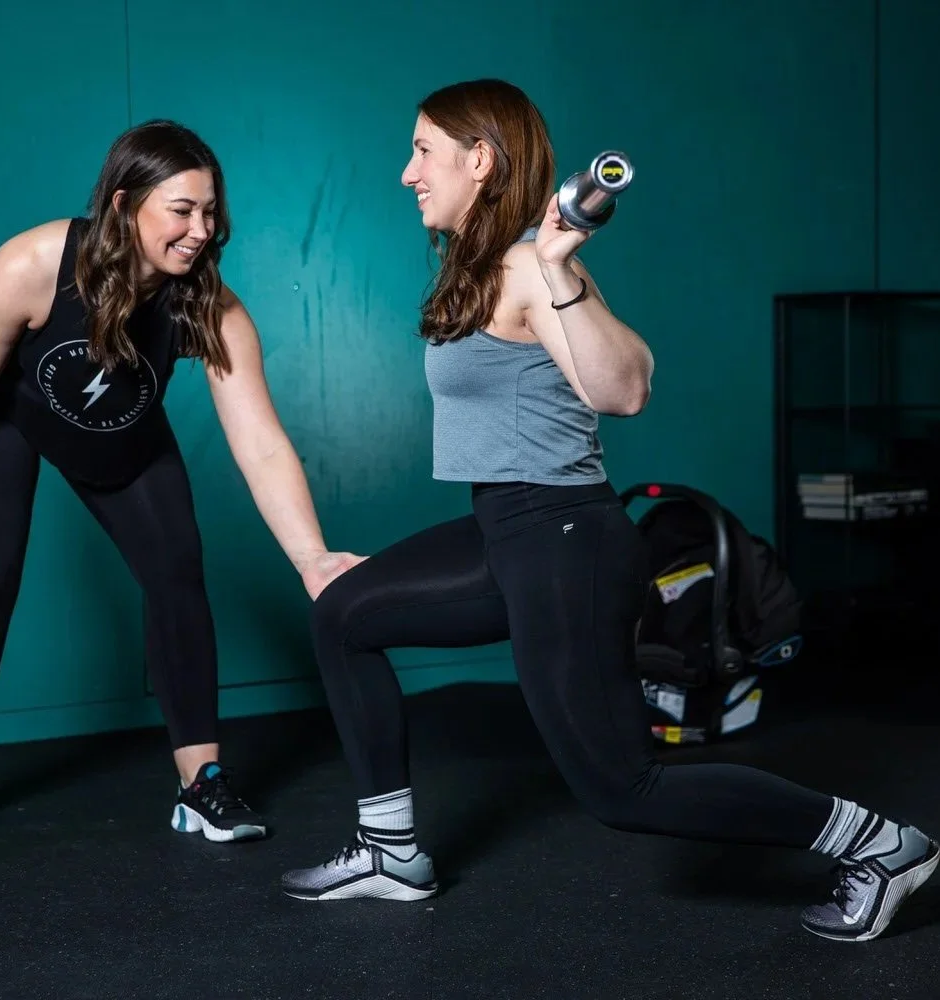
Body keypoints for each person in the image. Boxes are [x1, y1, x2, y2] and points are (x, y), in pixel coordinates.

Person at [279, 79, 938, 943]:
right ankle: (391, 850)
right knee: (344, 615)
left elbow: (626, 388)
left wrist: (558, 270)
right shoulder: (477, 265)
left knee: (623, 790)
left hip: (565, 541)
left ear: (479, 160)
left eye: (423, 151)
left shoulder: (528, 263)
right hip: (505, 531)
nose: (408, 173)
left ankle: (884, 845)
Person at [0, 119, 363, 850]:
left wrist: (312, 558)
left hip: (113, 419)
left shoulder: (208, 306)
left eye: (210, 212)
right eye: (181, 210)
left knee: (177, 569)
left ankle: (200, 784)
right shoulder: (32, 263)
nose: (200, 230)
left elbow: (262, 443)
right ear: (123, 205)